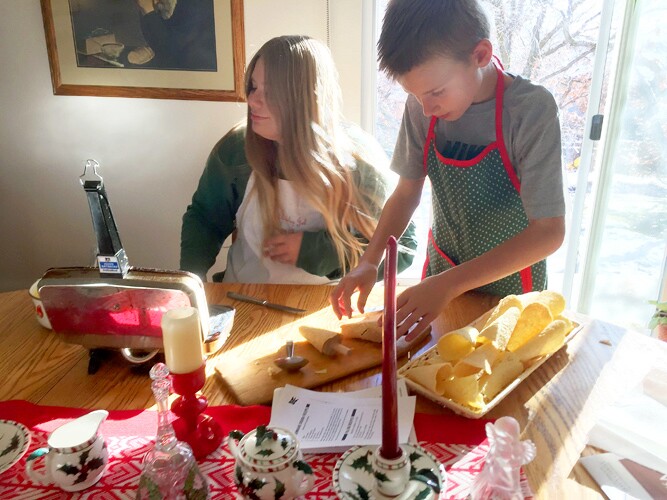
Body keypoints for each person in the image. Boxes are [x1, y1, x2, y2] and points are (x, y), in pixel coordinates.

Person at [330, 0, 566, 339]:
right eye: (414, 95)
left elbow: (549, 232)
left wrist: (448, 285)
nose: (426, 109)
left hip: (512, 295)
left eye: (435, 93)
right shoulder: (423, 106)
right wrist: (369, 260)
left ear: (481, 55)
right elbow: (406, 192)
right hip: (441, 278)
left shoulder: (530, 111)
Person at [180, 35, 417, 284]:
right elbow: (205, 220)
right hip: (244, 296)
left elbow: (404, 248)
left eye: (270, 91)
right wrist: (190, 281)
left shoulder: (359, 161)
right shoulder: (235, 151)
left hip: (325, 305)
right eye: (253, 87)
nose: (252, 101)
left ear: (306, 98)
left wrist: (319, 252)